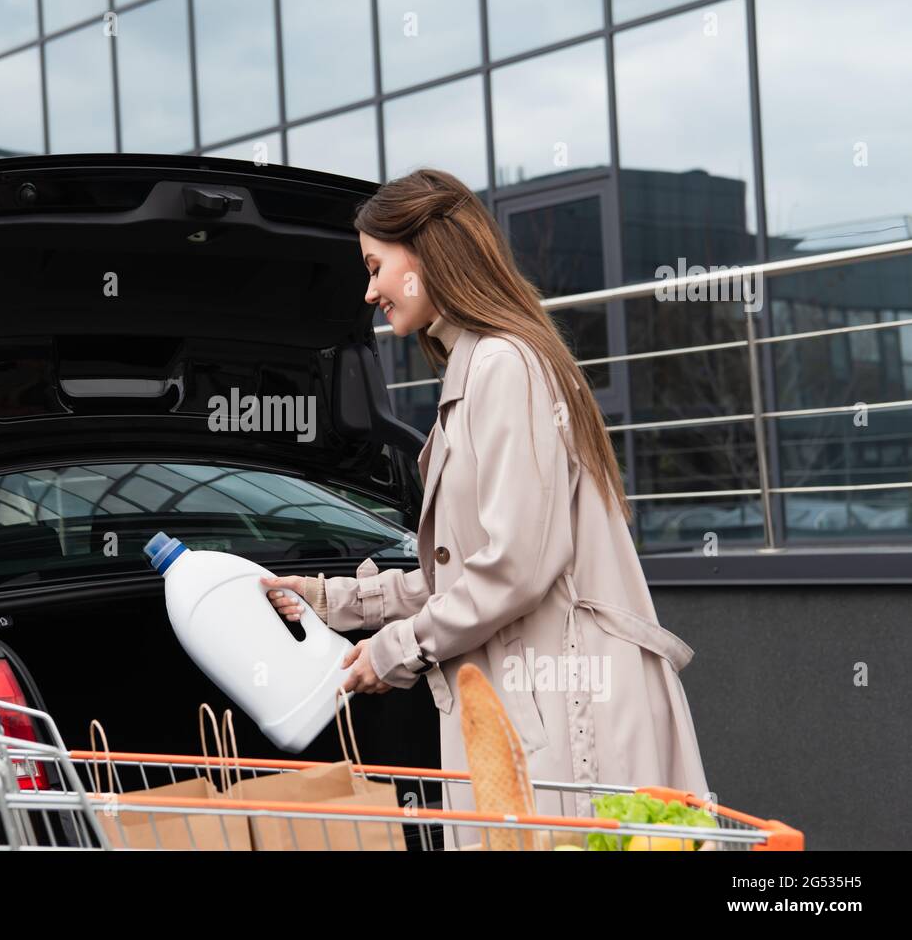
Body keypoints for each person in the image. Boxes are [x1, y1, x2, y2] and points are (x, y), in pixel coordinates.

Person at [260, 167, 710, 849]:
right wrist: (332, 601)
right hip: (545, 707)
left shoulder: (502, 365)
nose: (369, 289)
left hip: (569, 716)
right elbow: (465, 570)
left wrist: (394, 649)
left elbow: (514, 568)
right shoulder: (483, 369)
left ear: (427, 252)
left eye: (377, 265)